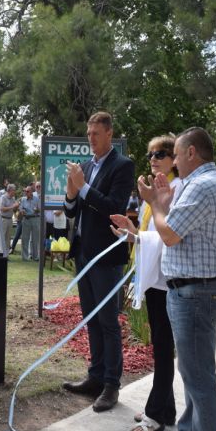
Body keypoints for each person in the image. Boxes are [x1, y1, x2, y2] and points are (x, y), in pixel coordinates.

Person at [140, 127, 216, 431]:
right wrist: (163, 203)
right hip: (196, 291)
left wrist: (157, 203)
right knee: (194, 374)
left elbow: (170, 234)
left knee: (200, 381)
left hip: (196, 293)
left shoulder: (201, 187)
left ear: (192, 152)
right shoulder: (204, 184)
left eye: (176, 154)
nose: (174, 161)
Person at [62, 111, 135, 412]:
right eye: (88, 133)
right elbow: (71, 211)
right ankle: (95, 376)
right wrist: (70, 193)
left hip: (106, 257)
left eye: (96, 133)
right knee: (91, 318)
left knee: (108, 322)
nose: (90, 138)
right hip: (83, 253)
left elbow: (114, 208)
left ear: (109, 134)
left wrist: (84, 188)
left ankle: (111, 385)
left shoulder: (123, 166)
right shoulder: (86, 167)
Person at [110, 135, 181, 431]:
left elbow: (168, 236)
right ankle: (166, 408)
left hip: (168, 282)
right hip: (156, 280)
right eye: (150, 154)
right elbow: (150, 233)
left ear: (175, 158)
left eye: (161, 153)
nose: (154, 158)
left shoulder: (176, 190)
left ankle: (155, 415)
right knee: (161, 347)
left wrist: (138, 238)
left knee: (164, 349)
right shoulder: (154, 194)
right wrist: (132, 234)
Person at [19, 185, 40, 261]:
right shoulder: (23, 199)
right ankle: (25, 257)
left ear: (31, 192)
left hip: (35, 219)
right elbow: (20, 209)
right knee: (25, 238)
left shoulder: (37, 199)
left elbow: (40, 209)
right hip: (26, 219)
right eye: (25, 191)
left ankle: (35, 256)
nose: (26, 192)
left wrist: (37, 210)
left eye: (27, 191)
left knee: (35, 239)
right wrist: (22, 211)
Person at [0, 184, 19, 254]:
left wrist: (16, 206)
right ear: (9, 190)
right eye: (14, 190)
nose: (15, 192)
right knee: (2, 237)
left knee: (8, 238)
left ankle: (6, 255)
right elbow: (2, 209)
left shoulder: (13, 198)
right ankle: (1, 254)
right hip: (3, 219)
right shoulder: (3, 197)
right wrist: (12, 206)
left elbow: (14, 210)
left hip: (10, 219)